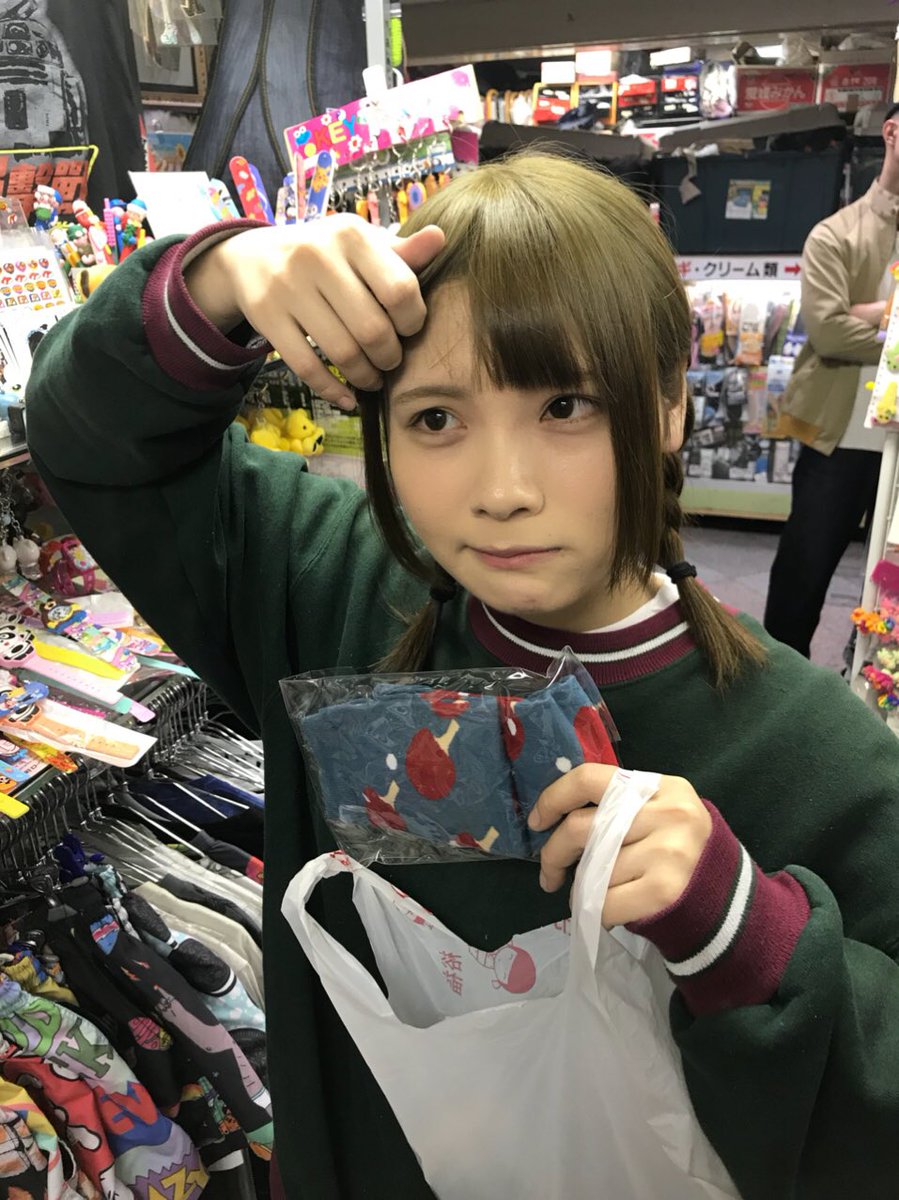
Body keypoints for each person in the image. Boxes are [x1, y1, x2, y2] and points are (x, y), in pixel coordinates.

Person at [27, 151, 899, 1200]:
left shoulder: (819, 757)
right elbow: (93, 438)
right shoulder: (328, 588)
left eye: (566, 405)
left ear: (669, 401)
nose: (502, 489)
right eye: (435, 419)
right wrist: (220, 277)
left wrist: (741, 930)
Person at [764, 104, 899, 657]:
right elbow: (828, 332)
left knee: (890, 581)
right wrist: (888, 320)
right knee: (804, 572)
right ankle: (775, 679)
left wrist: (869, 313)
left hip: (894, 444)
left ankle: (867, 674)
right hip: (838, 437)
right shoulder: (837, 233)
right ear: (892, 132)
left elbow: (844, 322)